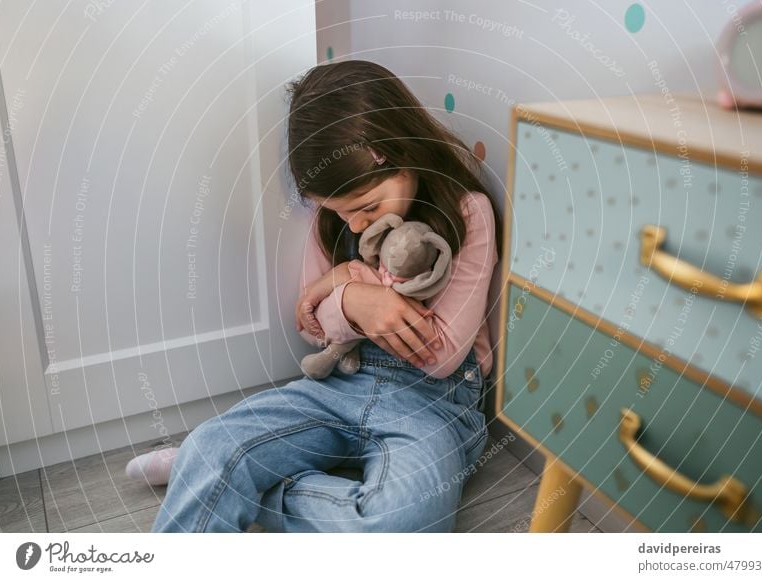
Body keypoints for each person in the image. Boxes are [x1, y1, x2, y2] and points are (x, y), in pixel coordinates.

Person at [148, 59, 502, 532]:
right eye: (340, 211)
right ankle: (216, 468)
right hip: (338, 385)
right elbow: (310, 324)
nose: (356, 224)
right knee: (213, 444)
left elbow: (440, 357)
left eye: (368, 207)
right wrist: (355, 302)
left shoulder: (468, 214)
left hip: (433, 406)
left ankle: (249, 485)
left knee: (400, 525)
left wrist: (345, 289)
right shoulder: (333, 221)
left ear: (402, 154)